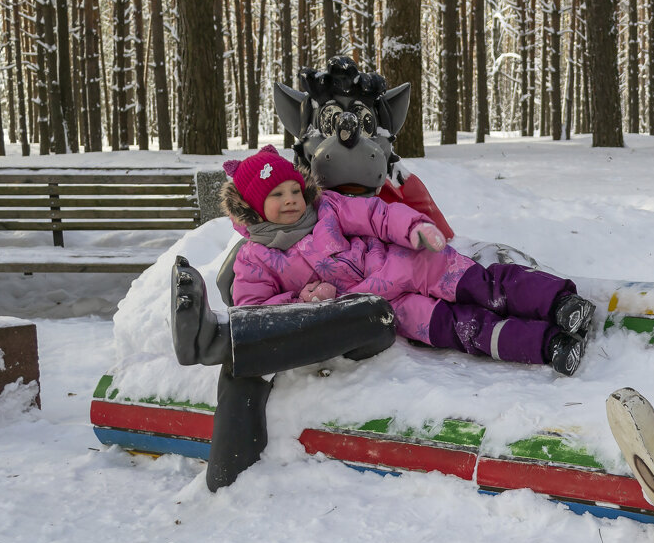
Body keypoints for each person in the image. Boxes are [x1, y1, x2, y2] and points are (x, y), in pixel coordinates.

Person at [220, 145, 593, 375]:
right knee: (463, 329)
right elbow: (254, 313)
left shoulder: (327, 207)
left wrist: (415, 228)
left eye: (293, 190)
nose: (290, 200)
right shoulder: (255, 259)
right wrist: (302, 302)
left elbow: (377, 215)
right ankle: (549, 346)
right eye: (276, 195)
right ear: (253, 206)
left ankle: (559, 303)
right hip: (381, 306)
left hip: (408, 262)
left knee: (484, 284)